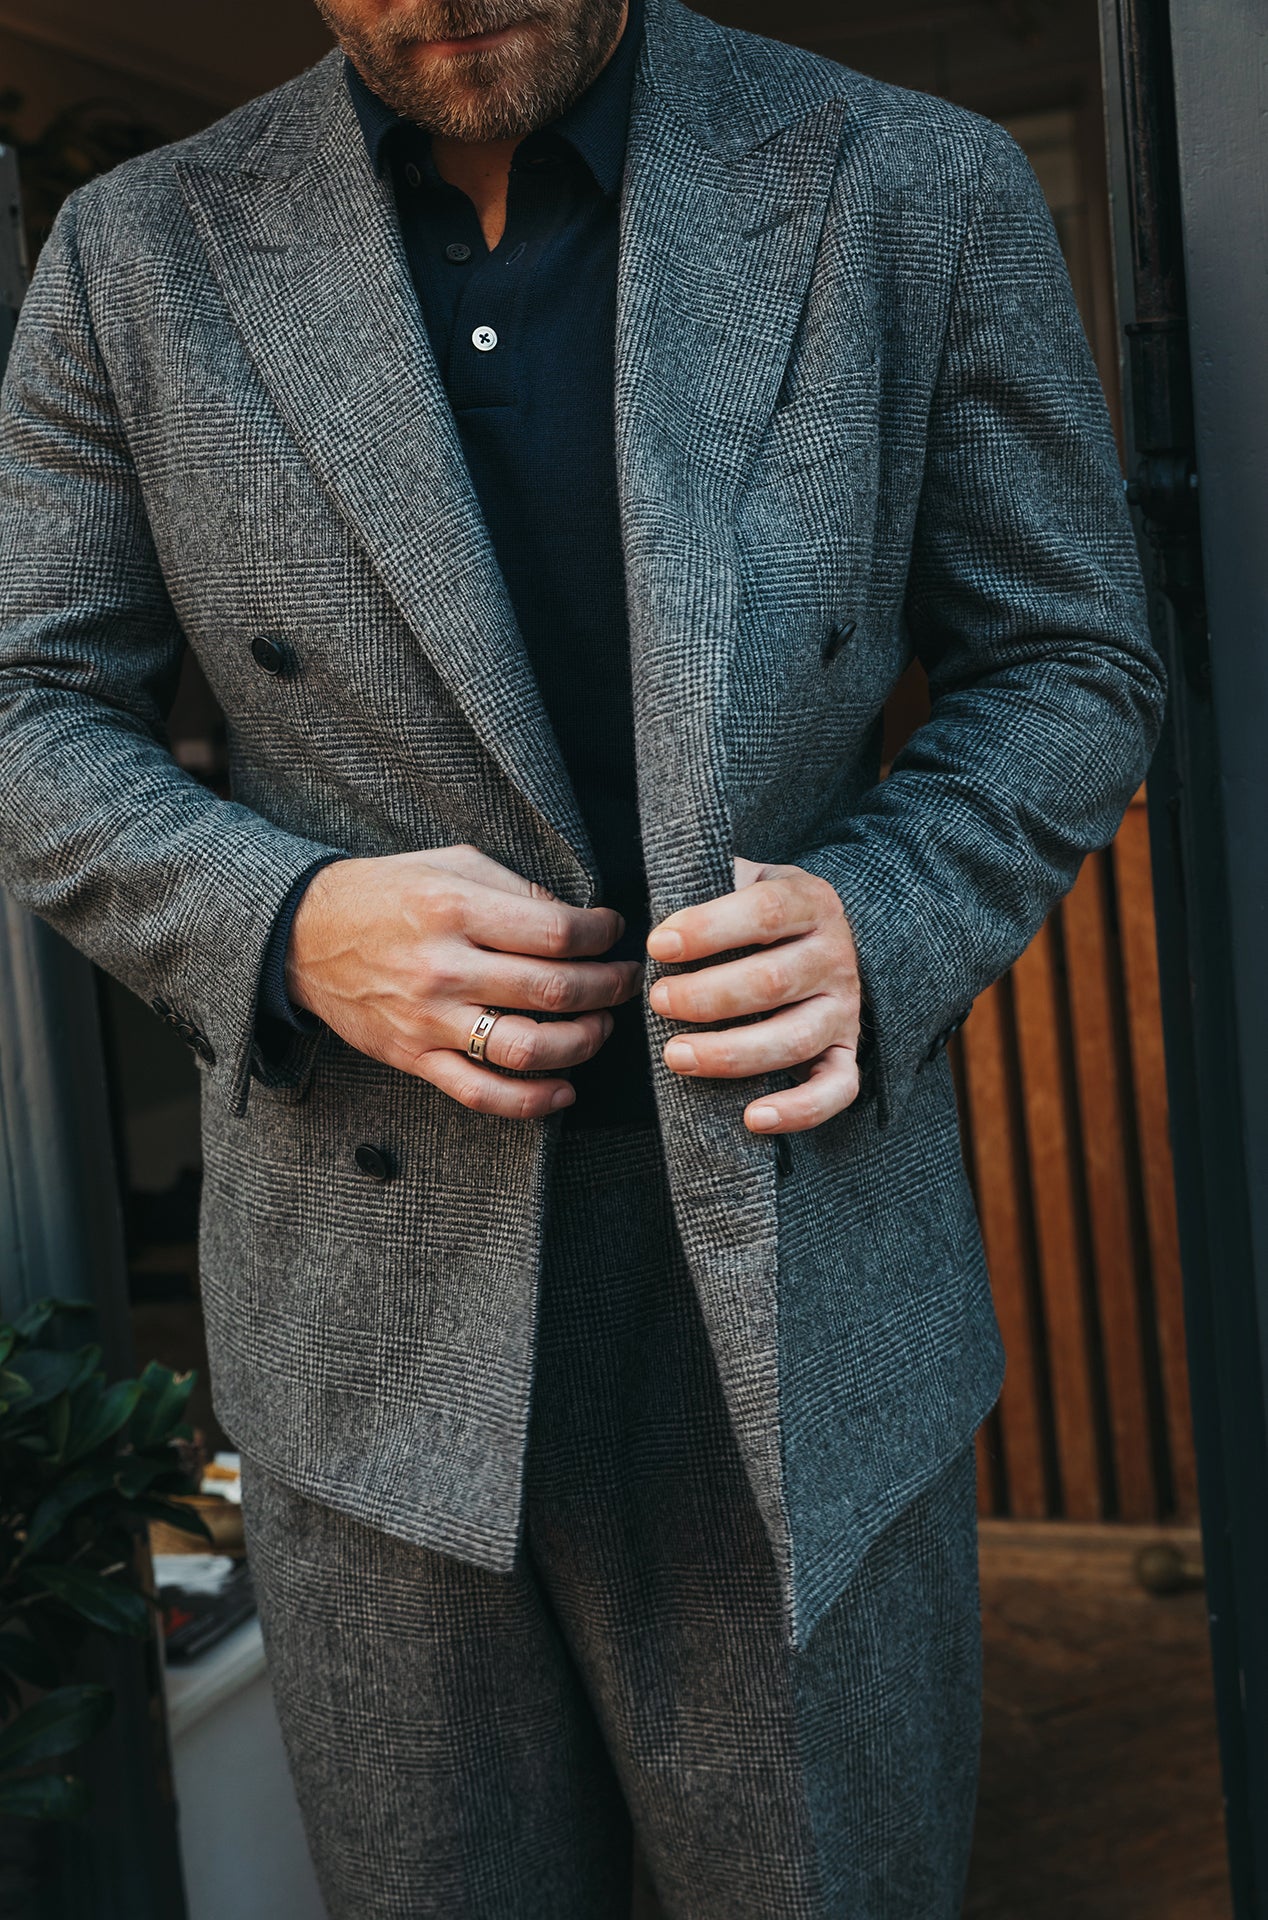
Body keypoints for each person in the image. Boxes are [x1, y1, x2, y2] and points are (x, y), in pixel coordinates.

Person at [0, 0, 1164, 1909]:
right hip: (367, 1308)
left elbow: (1072, 657)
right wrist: (283, 926)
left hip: (792, 1284)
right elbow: (33, 707)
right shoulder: (135, 252)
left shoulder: (906, 188)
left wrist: (894, 911)